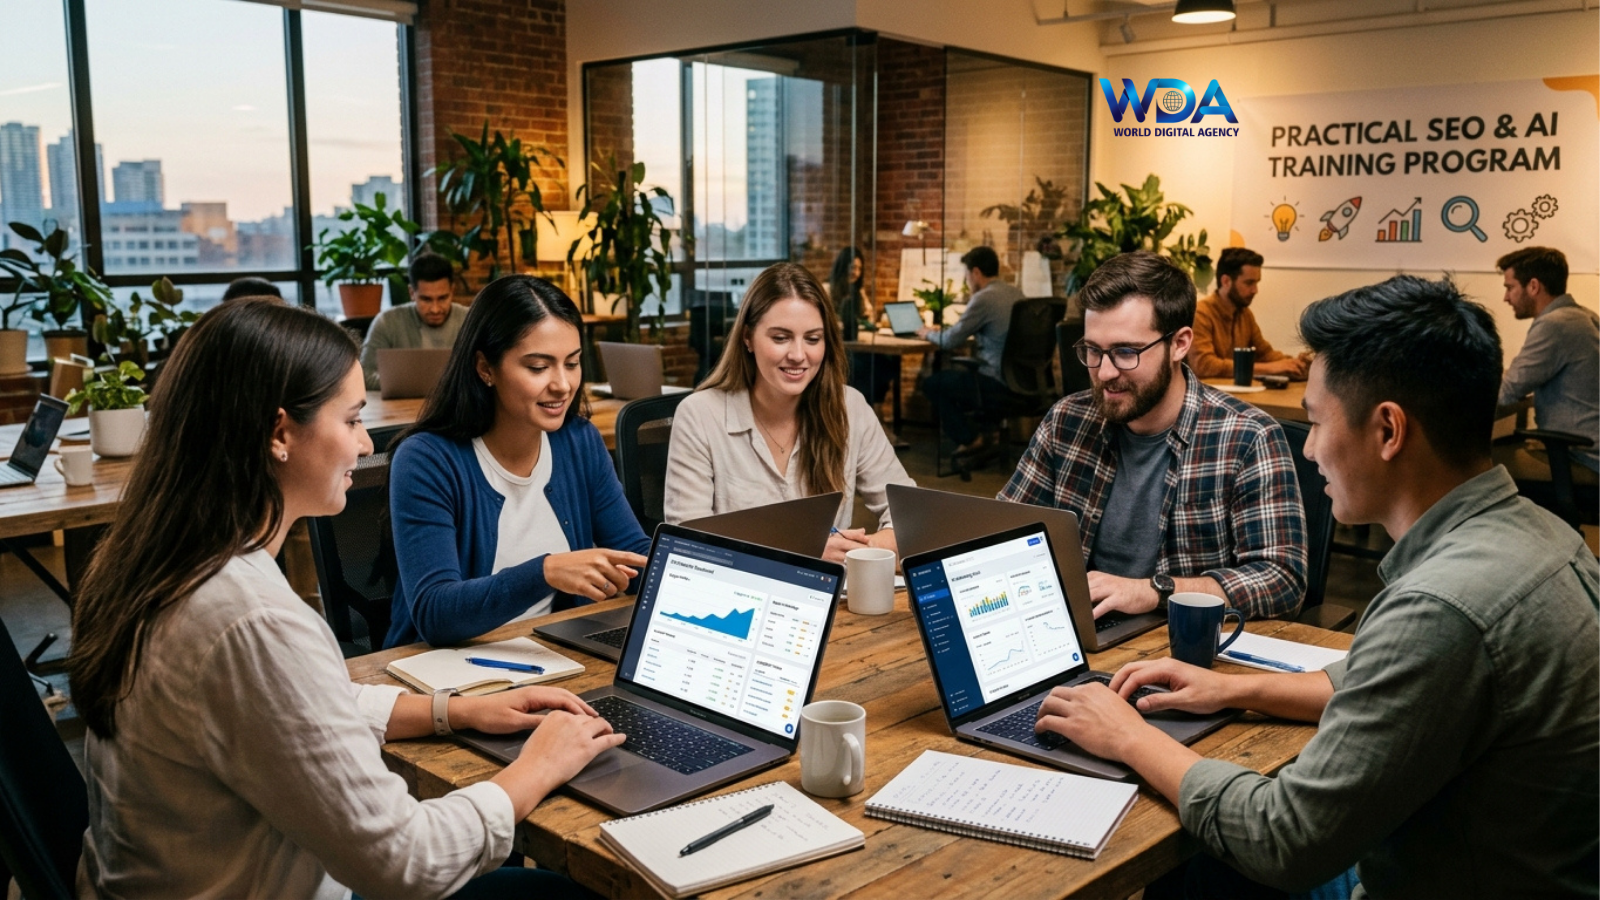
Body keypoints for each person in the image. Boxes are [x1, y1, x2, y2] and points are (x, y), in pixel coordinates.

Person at [1036, 275, 1600, 898]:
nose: (1310, 452)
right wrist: (1232, 688)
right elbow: (1383, 682)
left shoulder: (1440, 607)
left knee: (1208, 866)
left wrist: (1128, 737)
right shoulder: (1541, 538)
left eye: (1316, 421)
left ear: (1388, 431)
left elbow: (1284, 840)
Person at [68, 298, 623, 900]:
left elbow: (297, 705)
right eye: (353, 419)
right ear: (280, 433)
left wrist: (454, 711)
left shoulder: (172, 566)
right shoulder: (252, 620)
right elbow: (407, 863)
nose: (365, 446)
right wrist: (535, 769)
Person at [999, 251, 1306, 621]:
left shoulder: (1246, 437)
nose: (1106, 372)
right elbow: (1005, 530)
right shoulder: (1067, 420)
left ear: (1179, 344)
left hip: (1183, 648)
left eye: (1126, 352)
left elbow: (1282, 581)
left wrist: (1154, 591)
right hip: (1080, 631)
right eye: (1093, 351)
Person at [386, 275, 649, 647]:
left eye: (572, 363)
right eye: (539, 367)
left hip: (555, 652)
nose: (562, 384)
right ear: (485, 368)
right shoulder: (427, 460)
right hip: (447, 672)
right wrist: (545, 572)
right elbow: (436, 614)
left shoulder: (579, 441)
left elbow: (633, 557)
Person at [664, 262, 914, 562]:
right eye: (780, 338)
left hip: (831, 598)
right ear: (747, 338)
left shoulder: (849, 408)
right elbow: (687, 547)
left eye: (812, 339)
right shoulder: (700, 415)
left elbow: (912, 517)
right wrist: (806, 550)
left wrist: (858, 553)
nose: (798, 355)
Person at [1491, 246, 1599, 483]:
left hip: (1582, 457)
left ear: (1533, 286)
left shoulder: (1555, 325)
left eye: (1510, 288)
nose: (1506, 297)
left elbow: (1505, 393)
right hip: (1591, 449)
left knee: (1487, 466)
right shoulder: (1585, 317)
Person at [918, 244, 1027, 456]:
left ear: (975, 272)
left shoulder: (984, 298)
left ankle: (970, 439)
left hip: (996, 382)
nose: (967, 280)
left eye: (967, 274)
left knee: (933, 384)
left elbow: (949, 341)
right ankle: (988, 432)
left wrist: (926, 333)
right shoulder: (1016, 293)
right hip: (1021, 381)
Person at [1187, 247, 1309, 380]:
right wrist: (1271, 368)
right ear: (1226, 281)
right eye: (1249, 283)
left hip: (1232, 395)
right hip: (1206, 397)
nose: (1255, 290)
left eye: (1257, 283)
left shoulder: (1244, 314)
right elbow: (1203, 365)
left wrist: (1296, 363)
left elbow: (1265, 354)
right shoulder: (1200, 313)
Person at [360, 252, 469, 389]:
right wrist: (410, 383)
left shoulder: (469, 320)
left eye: (442, 298)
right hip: (400, 409)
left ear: (452, 290)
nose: (435, 309)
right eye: (426, 299)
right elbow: (363, 375)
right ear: (412, 293)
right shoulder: (387, 322)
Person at [832, 246, 904, 447]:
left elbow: (869, 317)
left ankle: (877, 421)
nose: (854, 272)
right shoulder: (828, 290)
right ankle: (877, 424)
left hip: (859, 347)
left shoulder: (859, 292)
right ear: (841, 267)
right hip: (839, 350)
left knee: (885, 363)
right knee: (865, 368)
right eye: (850, 267)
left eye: (857, 268)